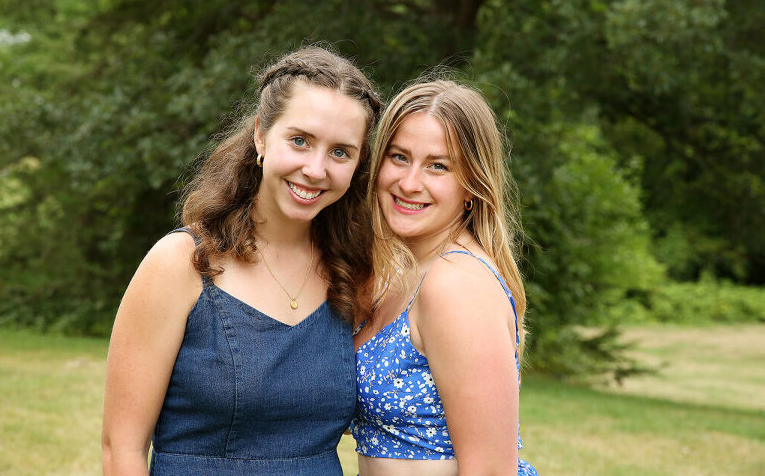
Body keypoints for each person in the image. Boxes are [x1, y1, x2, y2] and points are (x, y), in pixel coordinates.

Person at [101, 46, 381, 476]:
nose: (315, 168)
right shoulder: (182, 263)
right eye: (300, 140)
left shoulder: (354, 273)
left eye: (340, 152)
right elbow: (122, 450)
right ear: (260, 136)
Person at [351, 80, 538, 475]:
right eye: (399, 157)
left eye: (438, 165)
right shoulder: (400, 274)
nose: (409, 182)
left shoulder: (457, 285)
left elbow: (490, 471)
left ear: (472, 184)